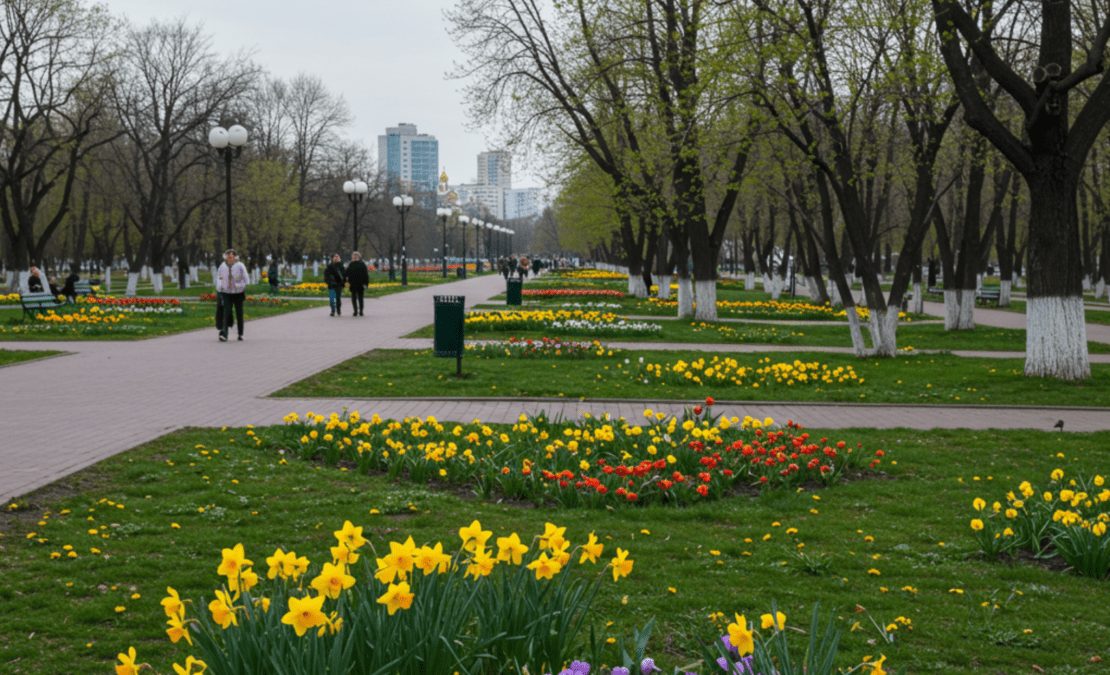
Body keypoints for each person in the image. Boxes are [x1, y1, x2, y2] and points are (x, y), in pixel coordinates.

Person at [215, 248, 249, 342]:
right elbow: (219, 278)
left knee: (239, 313)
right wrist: (220, 288)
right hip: (227, 293)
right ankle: (224, 334)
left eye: (232, 257)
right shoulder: (222, 266)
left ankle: (240, 334)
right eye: (228, 257)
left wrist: (241, 286)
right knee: (227, 313)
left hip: (238, 293)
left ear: (235, 257)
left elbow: (246, 278)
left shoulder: (240, 265)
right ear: (225, 257)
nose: (230, 258)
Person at [346, 251, 370, 317]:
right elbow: (347, 273)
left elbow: (365, 274)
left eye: (356, 256)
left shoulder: (362, 264)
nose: (355, 257)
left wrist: (366, 283)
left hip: (360, 283)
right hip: (353, 283)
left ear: (359, 257)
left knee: (360, 298)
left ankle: (361, 311)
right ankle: (355, 311)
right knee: (353, 298)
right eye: (354, 256)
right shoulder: (351, 264)